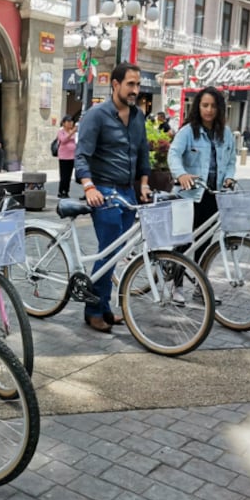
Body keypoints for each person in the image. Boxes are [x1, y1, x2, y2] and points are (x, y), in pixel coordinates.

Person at [75, 63, 152, 333]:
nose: (135, 90)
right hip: (104, 191)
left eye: (138, 84)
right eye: (130, 84)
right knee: (108, 251)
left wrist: (144, 184)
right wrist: (89, 187)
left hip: (128, 191)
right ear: (115, 85)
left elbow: (143, 152)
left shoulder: (138, 116)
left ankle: (104, 307)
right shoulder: (96, 115)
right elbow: (82, 154)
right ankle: (94, 310)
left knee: (116, 253)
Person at [169, 87, 237, 261]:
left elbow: (231, 160)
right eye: (205, 105)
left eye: (213, 106)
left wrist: (229, 177)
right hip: (190, 195)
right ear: (198, 107)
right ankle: (177, 284)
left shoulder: (227, 134)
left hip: (214, 195)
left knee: (204, 242)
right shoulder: (188, 131)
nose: (209, 110)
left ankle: (200, 283)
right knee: (184, 242)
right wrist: (181, 175)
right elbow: (173, 154)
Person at [56, 117, 79, 198]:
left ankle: (66, 191)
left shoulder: (73, 132)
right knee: (63, 176)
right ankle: (61, 191)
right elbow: (63, 140)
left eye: (71, 121)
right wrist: (72, 132)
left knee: (69, 176)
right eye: (68, 122)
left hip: (72, 157)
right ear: (63, 123)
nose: (70, 123)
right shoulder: (61, 131)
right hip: (63, 157)